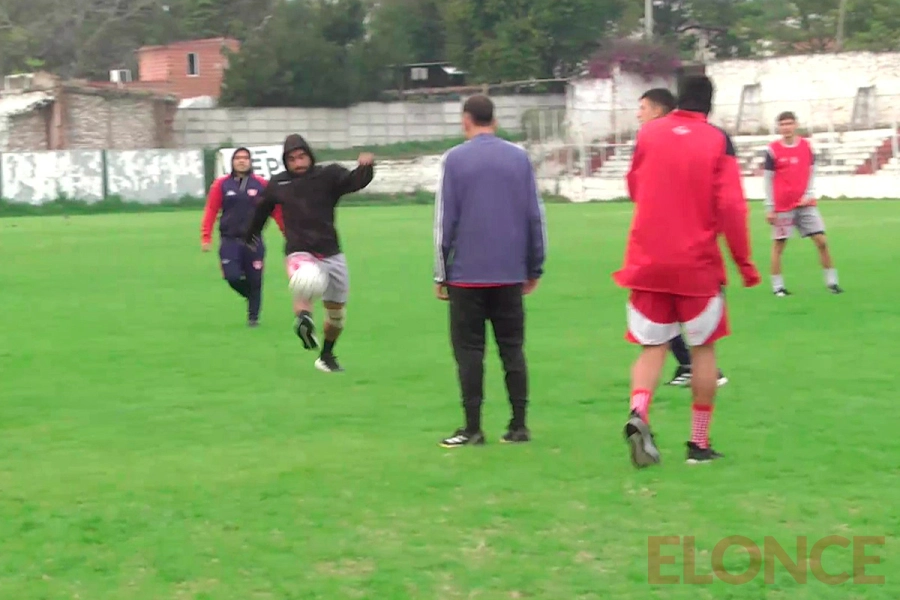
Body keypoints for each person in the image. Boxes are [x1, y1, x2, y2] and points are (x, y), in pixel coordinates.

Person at [616, 76, 760, 467]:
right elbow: (732, 207)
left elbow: (634, 185)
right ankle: (698, 444)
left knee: (652, 347)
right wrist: (744, 263)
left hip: (647, 261)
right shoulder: (717, 140)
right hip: (696, 264)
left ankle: (639, 412)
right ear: (710, 105)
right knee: (703, 349)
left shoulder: (649, 135)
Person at [433, 94, 548, 448]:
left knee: (469, 352)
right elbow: (534, 215)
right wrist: (534, 265)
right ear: (494, 120)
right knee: (512, 349)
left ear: (466, 120)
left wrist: (441, 272)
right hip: (509, 272)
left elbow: (444, 220)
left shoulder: (454, 160)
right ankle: (519, 424)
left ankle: (472, 427)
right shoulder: (519, 158)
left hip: (467, 274)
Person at [242, 134, 374, 373]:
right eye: (291, 159)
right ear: (285, 161)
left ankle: (326, 356)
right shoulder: (279, 183)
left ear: (310, 155)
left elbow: (355, 181)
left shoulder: (327, 175)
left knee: (336, 317)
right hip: (299, 251)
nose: (298, 163)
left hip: (332, 253)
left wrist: (366, 168)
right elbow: (262, 210)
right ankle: (304, 318)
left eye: (302, 156)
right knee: (306, 280)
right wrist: (251, 234)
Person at [636, 88, 728, 389]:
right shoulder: (680, 139)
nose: (639, 114)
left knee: (666, 318)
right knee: (674, 316)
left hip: (673, 250)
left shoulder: (661, 140)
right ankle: (698, 432)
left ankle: (690, 369)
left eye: (643, 108)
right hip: (685, 251)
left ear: (660, 110)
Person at [201, 147, 284, 327]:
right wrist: (206, 236)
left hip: (253, 240)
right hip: (230, 240)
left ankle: (253, 318)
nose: (241, 161)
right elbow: (211, 210)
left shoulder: (261, 184)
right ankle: (250, 295)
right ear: (232, 162)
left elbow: (276, 210)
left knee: (256, 280)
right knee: (232, 277)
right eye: (238, 158)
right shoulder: (221, 185)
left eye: (245, 158)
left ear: (250, 161)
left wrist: (287, 232)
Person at [764, 111, 843, 296]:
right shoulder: (772, 150)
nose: (786, 127)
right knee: (779, 246)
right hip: (783, 205)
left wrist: (808, 194)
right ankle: (778, 288)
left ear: (796, 125)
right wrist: (770, 206)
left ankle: (832, 283)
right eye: (783, 124)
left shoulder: (806, 146)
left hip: (805, 203)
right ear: (779, 127)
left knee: (822, 241)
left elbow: (812, 171)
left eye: (789, 123)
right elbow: (768, 179)